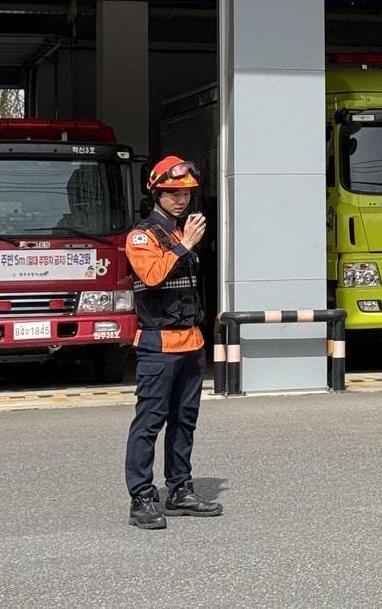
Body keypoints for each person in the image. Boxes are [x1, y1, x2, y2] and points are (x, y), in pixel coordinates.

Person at [123, 155, 222, 529]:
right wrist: (185, 246)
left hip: (191, 342)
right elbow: (151, 277)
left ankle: (180, 490)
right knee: (149, 423)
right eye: (172, 192)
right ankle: (142, 499)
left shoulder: (182, 233)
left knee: (185, 421)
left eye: (186, 193)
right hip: (157, 344)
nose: (181, 199)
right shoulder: (142, 236)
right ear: (156, 193)